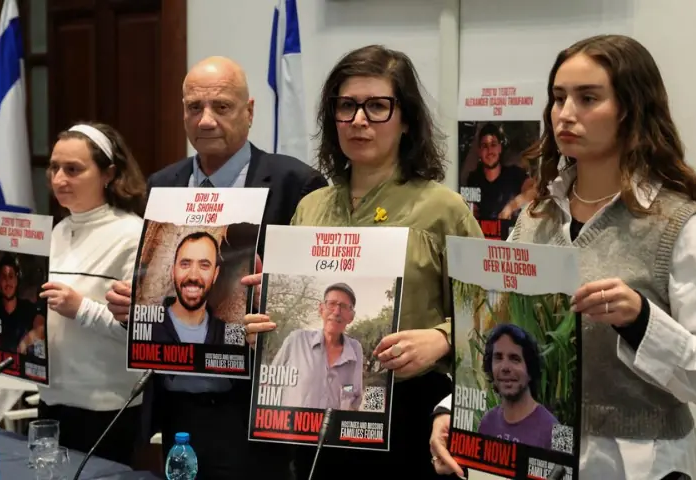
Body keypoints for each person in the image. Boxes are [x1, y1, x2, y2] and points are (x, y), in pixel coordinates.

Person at [429, 34, 696, 480]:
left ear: (631, 108)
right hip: (537, 457)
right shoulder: (535, 219)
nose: (565, 114)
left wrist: (642, 321)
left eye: (587, 97)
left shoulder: (679, 225)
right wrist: (451, 412)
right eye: (559, 98)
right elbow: (497, 331)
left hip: (640, 463)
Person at [241, 45, 484, 480]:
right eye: (347, 106)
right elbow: (277, 322)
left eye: (377, 106)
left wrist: (443, 338)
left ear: (406, 119)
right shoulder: (310, 207)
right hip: (318, 427)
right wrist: (261, 322)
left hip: (415, 417)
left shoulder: (443, 209)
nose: (358, 120)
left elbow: (490, 313)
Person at [104, 56, 328, 480]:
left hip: (252, 417)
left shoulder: (296, 185)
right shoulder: (161, 185)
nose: (205, 120)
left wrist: (275, 296)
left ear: (249, 111)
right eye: (194, 107)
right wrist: (132, 308)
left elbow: (316, 301)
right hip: (176, 410)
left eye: (221, 107)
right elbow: (158, 286)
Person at [0, 122, 148, 466]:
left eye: (73, 169)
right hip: (52, 397)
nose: (58, 179)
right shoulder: (54, 233)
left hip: (107, 406)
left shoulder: (134, 235)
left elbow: (143, 335)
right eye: (54, 168)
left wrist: (81, 308)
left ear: (108, 174)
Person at [270, 282, 364, 411]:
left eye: (343, 306)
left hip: (332, 429)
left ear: (351, 317)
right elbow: (269, 383)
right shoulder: (296, 340)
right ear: (321, 309)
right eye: (331, 304)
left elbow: (354, 396)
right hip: (290, 428)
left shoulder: (355, 349)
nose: (337, 312)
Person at [477, 324, 557, 450]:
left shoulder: (559, 433)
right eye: (498, 358)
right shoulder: (486, 423)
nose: (505, 367)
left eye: (514, 359)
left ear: (530, 369)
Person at [150, 231, 226, 345]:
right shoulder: (147, 325)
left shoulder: (225, 333)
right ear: (173, 271)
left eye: (204, 265)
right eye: (185, 264)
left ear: (215, 274)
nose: (193, 276)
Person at [464, 122, 534, 221]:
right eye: (485, 146)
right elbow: (467, 205)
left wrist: (511, 206)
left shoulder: (514, 174)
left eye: (493, 145)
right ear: (479, 151)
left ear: (500, 148)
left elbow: (536, 190)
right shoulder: (473, 179)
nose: (489, 151)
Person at [0, 253, 46, 355]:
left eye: (11, 276)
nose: (7, 282)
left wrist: (26, 342)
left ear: (16, 280)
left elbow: (41, 329)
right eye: (4, 277)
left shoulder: (28, 308)